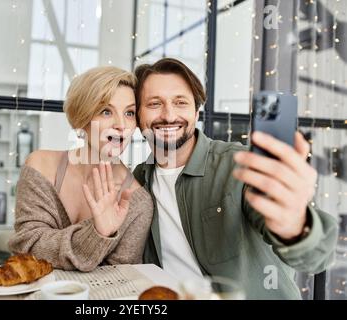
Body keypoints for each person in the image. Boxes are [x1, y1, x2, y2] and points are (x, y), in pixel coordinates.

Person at [132, 58, 338, 299]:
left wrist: (295, 227)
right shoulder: (139, 180)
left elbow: (317, 257)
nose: (168, 115)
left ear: (196, 112)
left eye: (180, 102)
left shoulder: (241, 164)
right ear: (138, 117)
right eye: (154, 103)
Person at [8, 66, 153, 271]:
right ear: (82, 118)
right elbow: (27, 247)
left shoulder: (137, 203)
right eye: (106, 111)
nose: (121, 125)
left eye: (129, 113)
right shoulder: (41, 167)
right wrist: (96, 233)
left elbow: (118, 279)